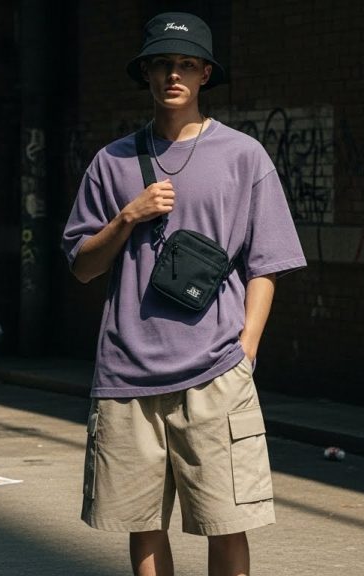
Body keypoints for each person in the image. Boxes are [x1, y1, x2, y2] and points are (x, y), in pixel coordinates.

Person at [61, 11, 306, 576]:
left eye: (186, 65)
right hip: (126, 375)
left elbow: (265, 265)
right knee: (143, 526)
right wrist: (128, 215)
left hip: (216, 372)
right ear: (145, 74)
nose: (174, 75)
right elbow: (82, 266)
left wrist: (246, 348)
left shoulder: (244, 157)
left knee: (226, 523)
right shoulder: (111, 162)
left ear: (205, 75)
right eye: (162, 64)